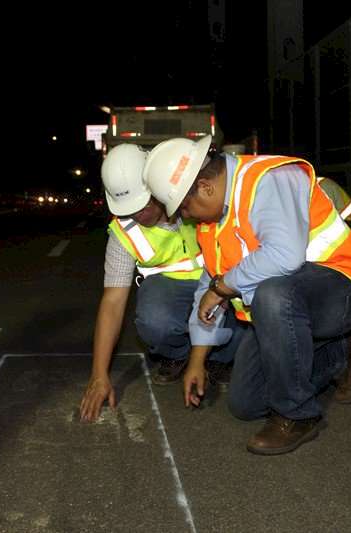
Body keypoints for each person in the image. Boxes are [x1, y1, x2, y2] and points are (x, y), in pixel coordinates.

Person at [143, 136, 351, 454]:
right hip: (283, 314)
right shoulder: (211, 223)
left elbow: (284, 255)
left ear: (205, 187)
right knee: (246, 404)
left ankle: (297, 416)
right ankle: (337, 353)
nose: (186, 217)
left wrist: (223, 286)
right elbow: (207, 291)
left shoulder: (270, 179)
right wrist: (196, 361)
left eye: (184, 207)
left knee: (272, 293)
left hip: (344, 288)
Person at [79, 143, 241, 422]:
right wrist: (99, 374)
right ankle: (180, 355)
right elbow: (113, 302)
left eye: (141, 206)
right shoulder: (123, 232)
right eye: (128, 210)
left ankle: (217, 358)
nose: (138, 216)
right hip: (171, 292)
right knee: (154, 319)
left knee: (247, 324)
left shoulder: (195, 198)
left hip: (221, 281)